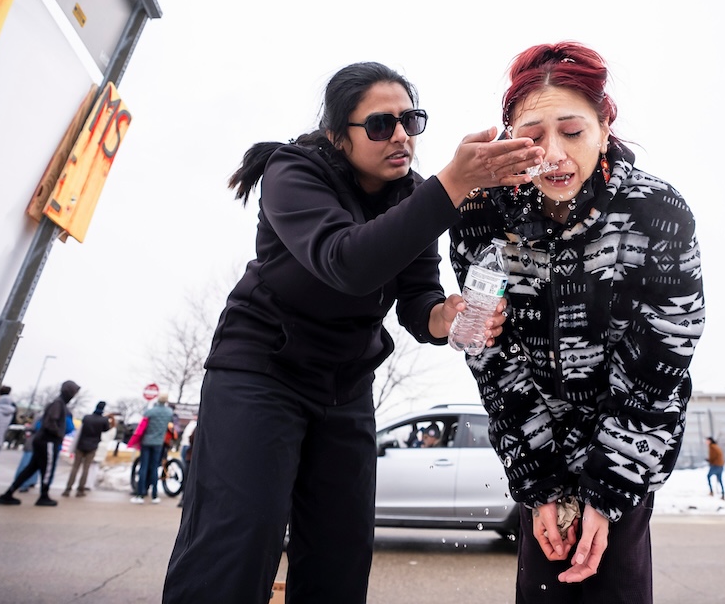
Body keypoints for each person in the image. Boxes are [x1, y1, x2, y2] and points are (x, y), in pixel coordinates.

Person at [163, 61, 543, 604]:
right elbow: (348, 262)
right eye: (380, 124)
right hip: (261, 373)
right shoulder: (292, 172)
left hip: (345, 386)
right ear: (338, 135)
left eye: (410, 121)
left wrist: (448, 318)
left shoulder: (411, 195)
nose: (400, 136)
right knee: (238, 541)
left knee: (339, 555)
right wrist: (454, 183)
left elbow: (417, 299)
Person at [449, 42, 705, 602]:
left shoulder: (656, 213)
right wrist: (539, 484)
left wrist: (606, 491)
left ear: (605, 122)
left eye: (572, 131)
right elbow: (489, 353)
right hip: (537, 439)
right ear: (509, 134)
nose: (554, 155)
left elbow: (661, 360)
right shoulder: (482, 214)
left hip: (624, 444)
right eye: (533, 136)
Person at [0, 380, 80, 506]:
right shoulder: (58, 404)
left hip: (43, 440)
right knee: (47, 469)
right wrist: (58, 434)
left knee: (31, 468)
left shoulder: (58, 404)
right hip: (48, 441)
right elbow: (50, 422)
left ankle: (9, 493)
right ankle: (44, 495)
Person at [133, 394, 176, 504]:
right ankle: (154, 495)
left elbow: (143, 425)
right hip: (158, 443)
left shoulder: (150, 411)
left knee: (144, 467)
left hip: (146, 441)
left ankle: (140, 494)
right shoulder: (169, 413)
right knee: (154, 468)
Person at [63, 401, 111, 497]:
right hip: (92, 446)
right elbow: (106, 429)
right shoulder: (103, 420)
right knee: (86, 468)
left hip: (81, 445)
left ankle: (68, 488)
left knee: (75, 467)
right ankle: (80, 489)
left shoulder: (87, 418)